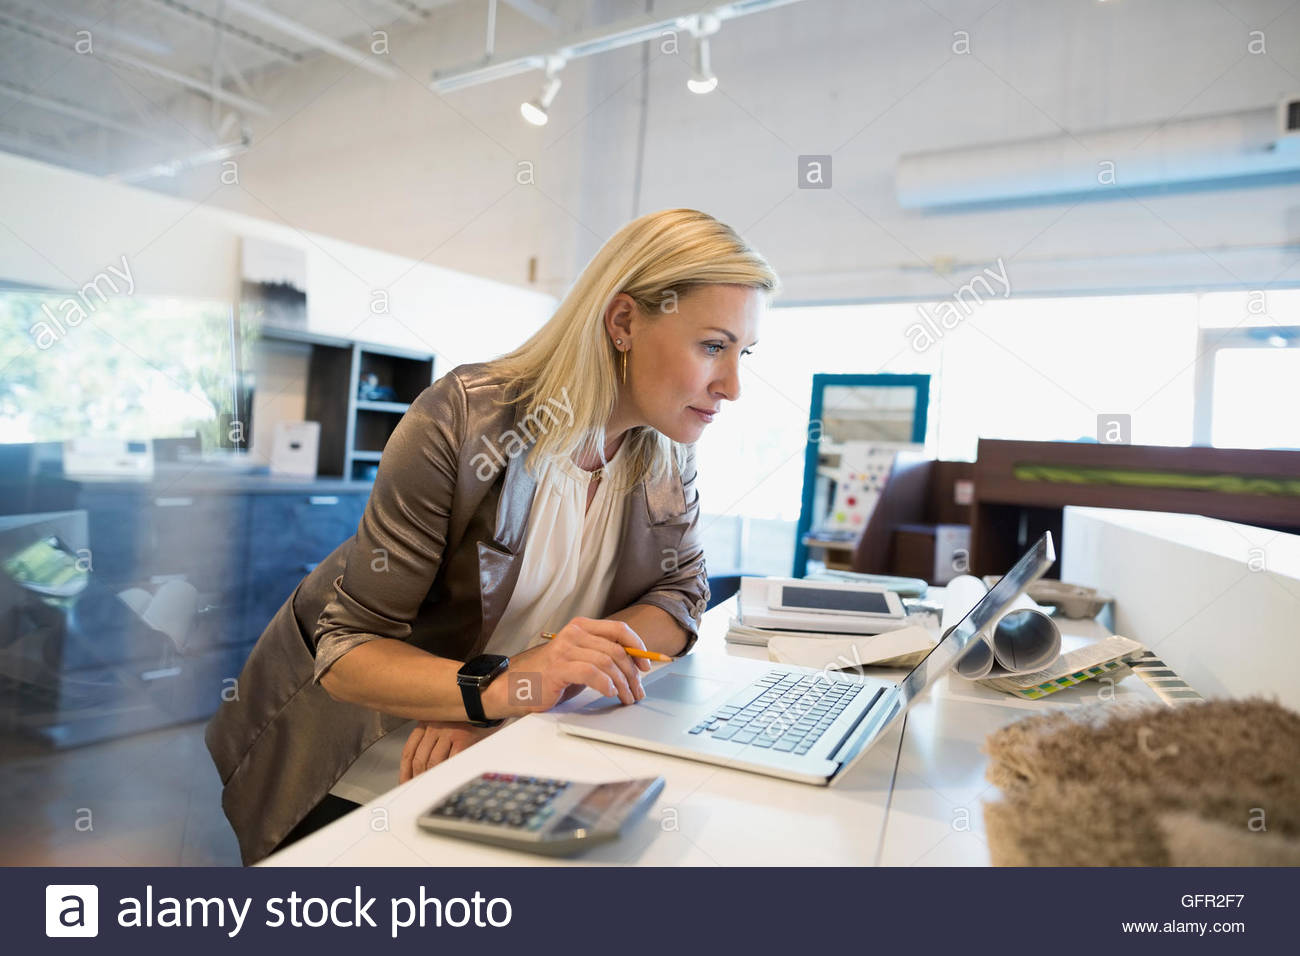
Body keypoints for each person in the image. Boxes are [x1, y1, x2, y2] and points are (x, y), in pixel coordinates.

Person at [205, 208, 779, 864]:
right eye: (712, 346)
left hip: (505, 746)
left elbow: (681, 600)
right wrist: (503, 686)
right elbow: (347, 650)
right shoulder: (463, 418)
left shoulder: (666, 452)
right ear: (622, 322)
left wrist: (535, 684)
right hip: (365, 762)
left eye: (744, 354)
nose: (732, 386)